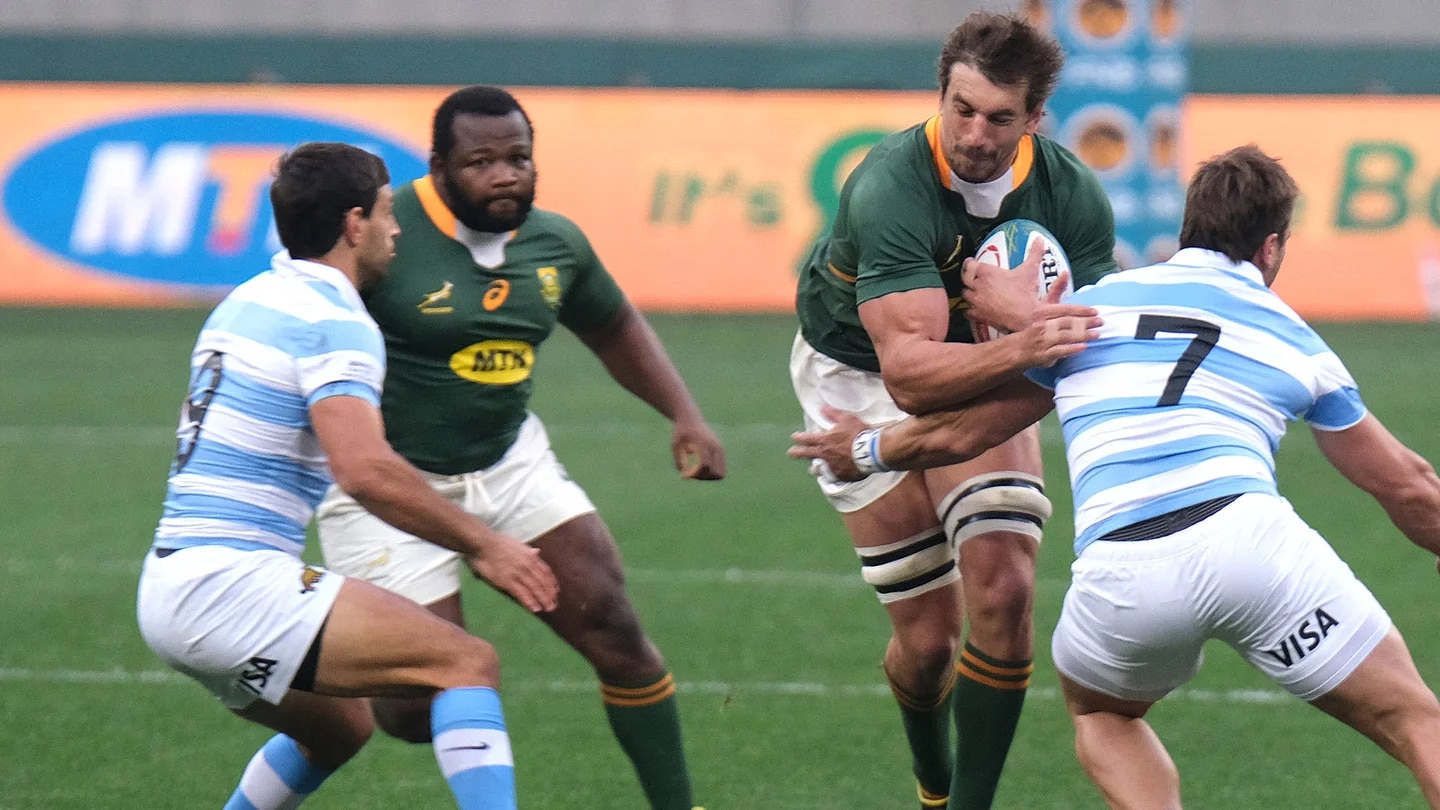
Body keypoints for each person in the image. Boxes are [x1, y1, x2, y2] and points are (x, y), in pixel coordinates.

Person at [789, 144, 1440, 808]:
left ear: (1187, 228)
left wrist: (863, 449)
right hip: (1253, 547)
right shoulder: (1294, 338)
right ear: (1271, 247)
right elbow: (1406, 484)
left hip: (1124, 573)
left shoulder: (1089, 314)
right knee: (1417, 719)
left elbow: (961, 432)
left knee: (1103, 714)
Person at [314, 85, 725, 810]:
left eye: (519, 158)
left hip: (509, 464)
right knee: (414, 708)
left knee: (617, 633)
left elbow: (613, 324)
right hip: (392, 487)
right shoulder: (382, 236)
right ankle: (343, 677)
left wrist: (683, 413)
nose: (505, 175)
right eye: (481, 163)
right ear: (439, 167)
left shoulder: (555, 242)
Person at [136, 142, 561, 810]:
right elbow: (364, 470)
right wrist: (485, 544)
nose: (397, 230)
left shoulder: (251, 298)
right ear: (354, 224)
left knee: (339, 729)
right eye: (388, 212)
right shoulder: (333, 321)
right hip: (231, 587)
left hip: (170, 587)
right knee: (465, 662)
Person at [789, 11, 1115, 809]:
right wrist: (1029, 336)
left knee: (1004, 591)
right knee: (928, 645)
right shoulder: (891, 185)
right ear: (940, 93)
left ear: (1034, 118)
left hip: (987, 357)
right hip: (857, 372)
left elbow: (1087, 345)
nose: (974, 134)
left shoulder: (1072, 194)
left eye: (999, 117)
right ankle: (933, 782)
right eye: (961, 109)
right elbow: (911, 379)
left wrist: (1027, 333)